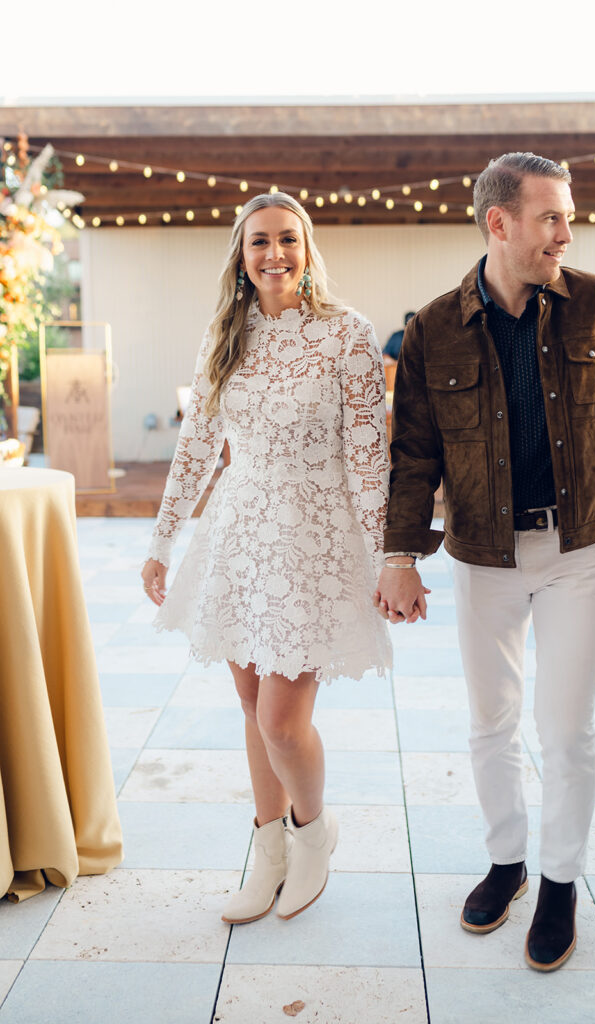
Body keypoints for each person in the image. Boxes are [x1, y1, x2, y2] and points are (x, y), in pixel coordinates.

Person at [374, 152, 595, 971]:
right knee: (491, 721)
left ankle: (559, 880)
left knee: (565, 730)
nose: (565, 234)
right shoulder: (434, 327)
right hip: (483, 555)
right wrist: (398, 554)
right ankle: (505, 863)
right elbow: (413, 455)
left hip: (579, 547)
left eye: (566, 217)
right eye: (550, 218)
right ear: (498, 223)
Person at [142, 192, 392, 924]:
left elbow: (368, 458)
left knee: (282, 719)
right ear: (241, 255)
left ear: (306, 249)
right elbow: (195, 449)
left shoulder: (347, 334)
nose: (274, 254)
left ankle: (312, 833)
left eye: (287, 240)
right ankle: (266, 849)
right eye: (259, 242)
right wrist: (161, 541)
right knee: (252, 710)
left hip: (313, 538)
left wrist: (387, 558)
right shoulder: (225, 335)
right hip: (239, 534)